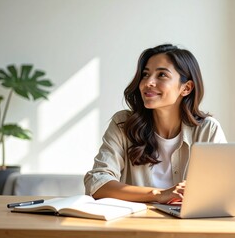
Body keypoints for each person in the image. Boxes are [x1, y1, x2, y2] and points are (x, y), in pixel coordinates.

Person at [84, 44, 226, 204]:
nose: (148, 82)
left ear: (186, 88)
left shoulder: (207, 130)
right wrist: (158, 194)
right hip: (134, 224)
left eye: (162, 75)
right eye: (145, 75)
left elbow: (224, 190)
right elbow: (97, 184)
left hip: (190, 225)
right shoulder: (123, 124)